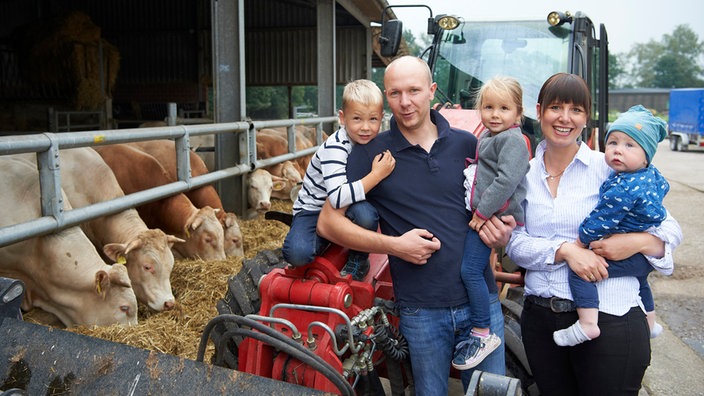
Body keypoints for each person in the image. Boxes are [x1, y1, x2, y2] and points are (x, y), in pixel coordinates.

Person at [317, 56, 516, 394]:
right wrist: (394, 245)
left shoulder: (468, 144)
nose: (405, 102)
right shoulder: (372, 154)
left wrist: (503, 233)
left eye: (414, 91)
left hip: (481, 304)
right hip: (422, 311)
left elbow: (497, 205)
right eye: (395, 93)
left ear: (431, 91)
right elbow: (327, 223)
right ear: (386, 95)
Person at [506, 73, 682, 395]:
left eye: (576, 110)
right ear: (539, 110)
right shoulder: (524, 175)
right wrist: (567, 250)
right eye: (556, 107)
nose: (565, 118)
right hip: (541, 320)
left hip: (610, 318)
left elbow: (669, 229)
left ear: (586, 117)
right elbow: (515, 243)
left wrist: (637, 242)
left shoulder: (611, 166)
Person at [553, 104, 670, 347]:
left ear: (646, 155)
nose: (618, 151)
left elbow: (601, 220)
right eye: (613, 143)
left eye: (629, 145)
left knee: (580, 272)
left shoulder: (622, 186)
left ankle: (587, 324)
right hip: (642, 258)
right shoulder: (653, 176)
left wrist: (580, 241)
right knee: (641, 282)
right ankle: (651, 324)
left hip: (630, 250)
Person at [282, 79, 395, 280]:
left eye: (373, 119)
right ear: (342, 118)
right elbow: (337, 198)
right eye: (357, 119)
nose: (366, 127)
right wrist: (376, 175)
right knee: (297, 255)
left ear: (382, 118)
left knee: (367, 216)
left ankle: (359, 258)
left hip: (347, 205)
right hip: (313, 209)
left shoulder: (374, 142)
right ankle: (327, 237)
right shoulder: (336, 147)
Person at [453, 76, 529, 370]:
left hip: (494, 216)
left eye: (504, 108)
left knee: (470, 271)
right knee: (475, 269)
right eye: (488, 107)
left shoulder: (512, 140)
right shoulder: (488, 136)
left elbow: (506, 181)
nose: (495, 114)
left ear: (518, 114)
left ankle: (482, 332)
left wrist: (481, 213)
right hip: (485, 212)